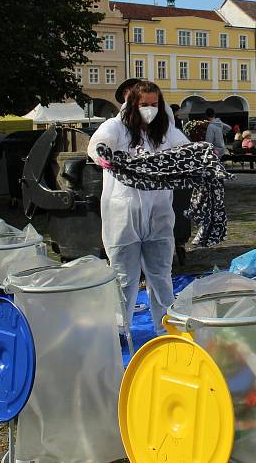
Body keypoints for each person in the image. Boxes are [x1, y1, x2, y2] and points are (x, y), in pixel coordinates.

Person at [87, 80, 190, 332]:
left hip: (159, 216)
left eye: (154, 104)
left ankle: (167, 329)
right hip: (123, 217)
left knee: (162, 278)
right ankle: (119, 332)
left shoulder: (165, 131)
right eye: (144, 104)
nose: (150, 109)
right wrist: (104, 156)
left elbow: (187, 151)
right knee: (124, 279)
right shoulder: (116, 128)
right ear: (132, 104)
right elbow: (98, 144)